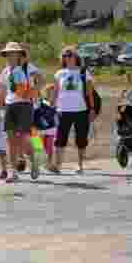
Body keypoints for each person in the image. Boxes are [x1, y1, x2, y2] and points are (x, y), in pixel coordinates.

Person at [0, 42, 43, 182]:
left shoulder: (27, 67)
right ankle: (14, 172)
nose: (10, 55)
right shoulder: (5, 71)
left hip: (25, 105)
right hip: (10, 105)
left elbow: (40, 79)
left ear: (19, 54)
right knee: (10, 140)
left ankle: (34, 157)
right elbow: (3, 91)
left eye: (13, 52)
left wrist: (34, 92)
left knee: (23, 138)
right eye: (8, 53)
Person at [51, 47, 94, 175]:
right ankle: (58, 165)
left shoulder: (83, 72)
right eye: (65, 55)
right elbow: (56, 92)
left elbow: (89, 92)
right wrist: (51, 107)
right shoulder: (59, 73)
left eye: (70, 55)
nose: (67, 58)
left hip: (80, 110)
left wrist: (91, 109)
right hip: (62, 110)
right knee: (60, 138)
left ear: (76, 57)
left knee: (81, 139)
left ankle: (80, 165)